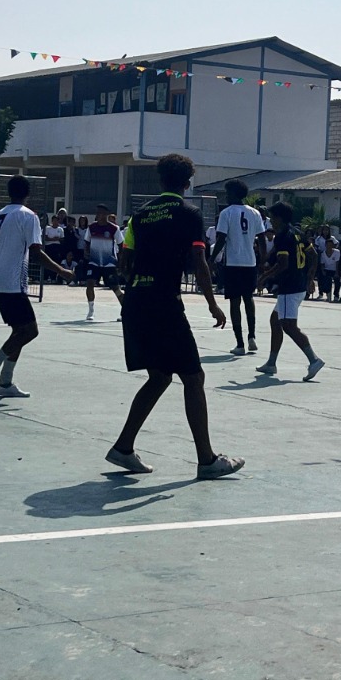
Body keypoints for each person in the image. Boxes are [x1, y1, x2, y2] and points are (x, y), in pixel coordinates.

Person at [107, 153, 243, 480]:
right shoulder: (189, 213)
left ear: (161, 179)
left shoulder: (140, 215)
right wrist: (212, 303)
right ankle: (207, 460)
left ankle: (123, 448)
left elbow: (125, 261)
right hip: (163, 302)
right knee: (193, 378)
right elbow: (199, 259)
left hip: (136, 301)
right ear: (187, 182)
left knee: (159, 376)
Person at [0, 176, 73, 398]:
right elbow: (36, 252)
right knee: (30, 331)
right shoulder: (29, 216)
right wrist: (62, 271)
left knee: (19, 331)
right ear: (28, 193)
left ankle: (5, 382)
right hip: (12, 282)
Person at [255, 202, 325, 380]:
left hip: (290, 286)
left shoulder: (282, 237)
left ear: (279, 218)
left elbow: (283, 264)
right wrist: (310, 278)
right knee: (275, 320)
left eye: (272, 217)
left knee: (288, 325)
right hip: (299, 284)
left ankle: (314, 360)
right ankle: (271, 363)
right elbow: (313, 255)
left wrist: (264, 277)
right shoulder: (298, 233)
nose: (271, 221)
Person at [213, 180, 266, 353]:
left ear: (234, 194)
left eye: (228, 193)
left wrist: (211, 259)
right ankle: (252, 336)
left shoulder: (226, 213)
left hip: (233, 263)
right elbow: (262, 238)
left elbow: (221, 238)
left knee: (235, 302)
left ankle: (240, 344)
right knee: (249, 299)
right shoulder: (255, 212)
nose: (226, 197)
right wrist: (263, 260)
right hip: (250, 262)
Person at [81, 205, 125, 322]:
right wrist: (86, 252)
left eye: (101, 213)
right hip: (94, 262)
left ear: (106, 214)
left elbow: (121, 244)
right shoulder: (92, 227)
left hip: (109, 263)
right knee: (90, 283)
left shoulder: (114, 228)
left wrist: (120, 260)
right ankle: (91, 311)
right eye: (97, 213)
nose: (98, 215)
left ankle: (125, 311)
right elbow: (87, 242)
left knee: (115, 288)